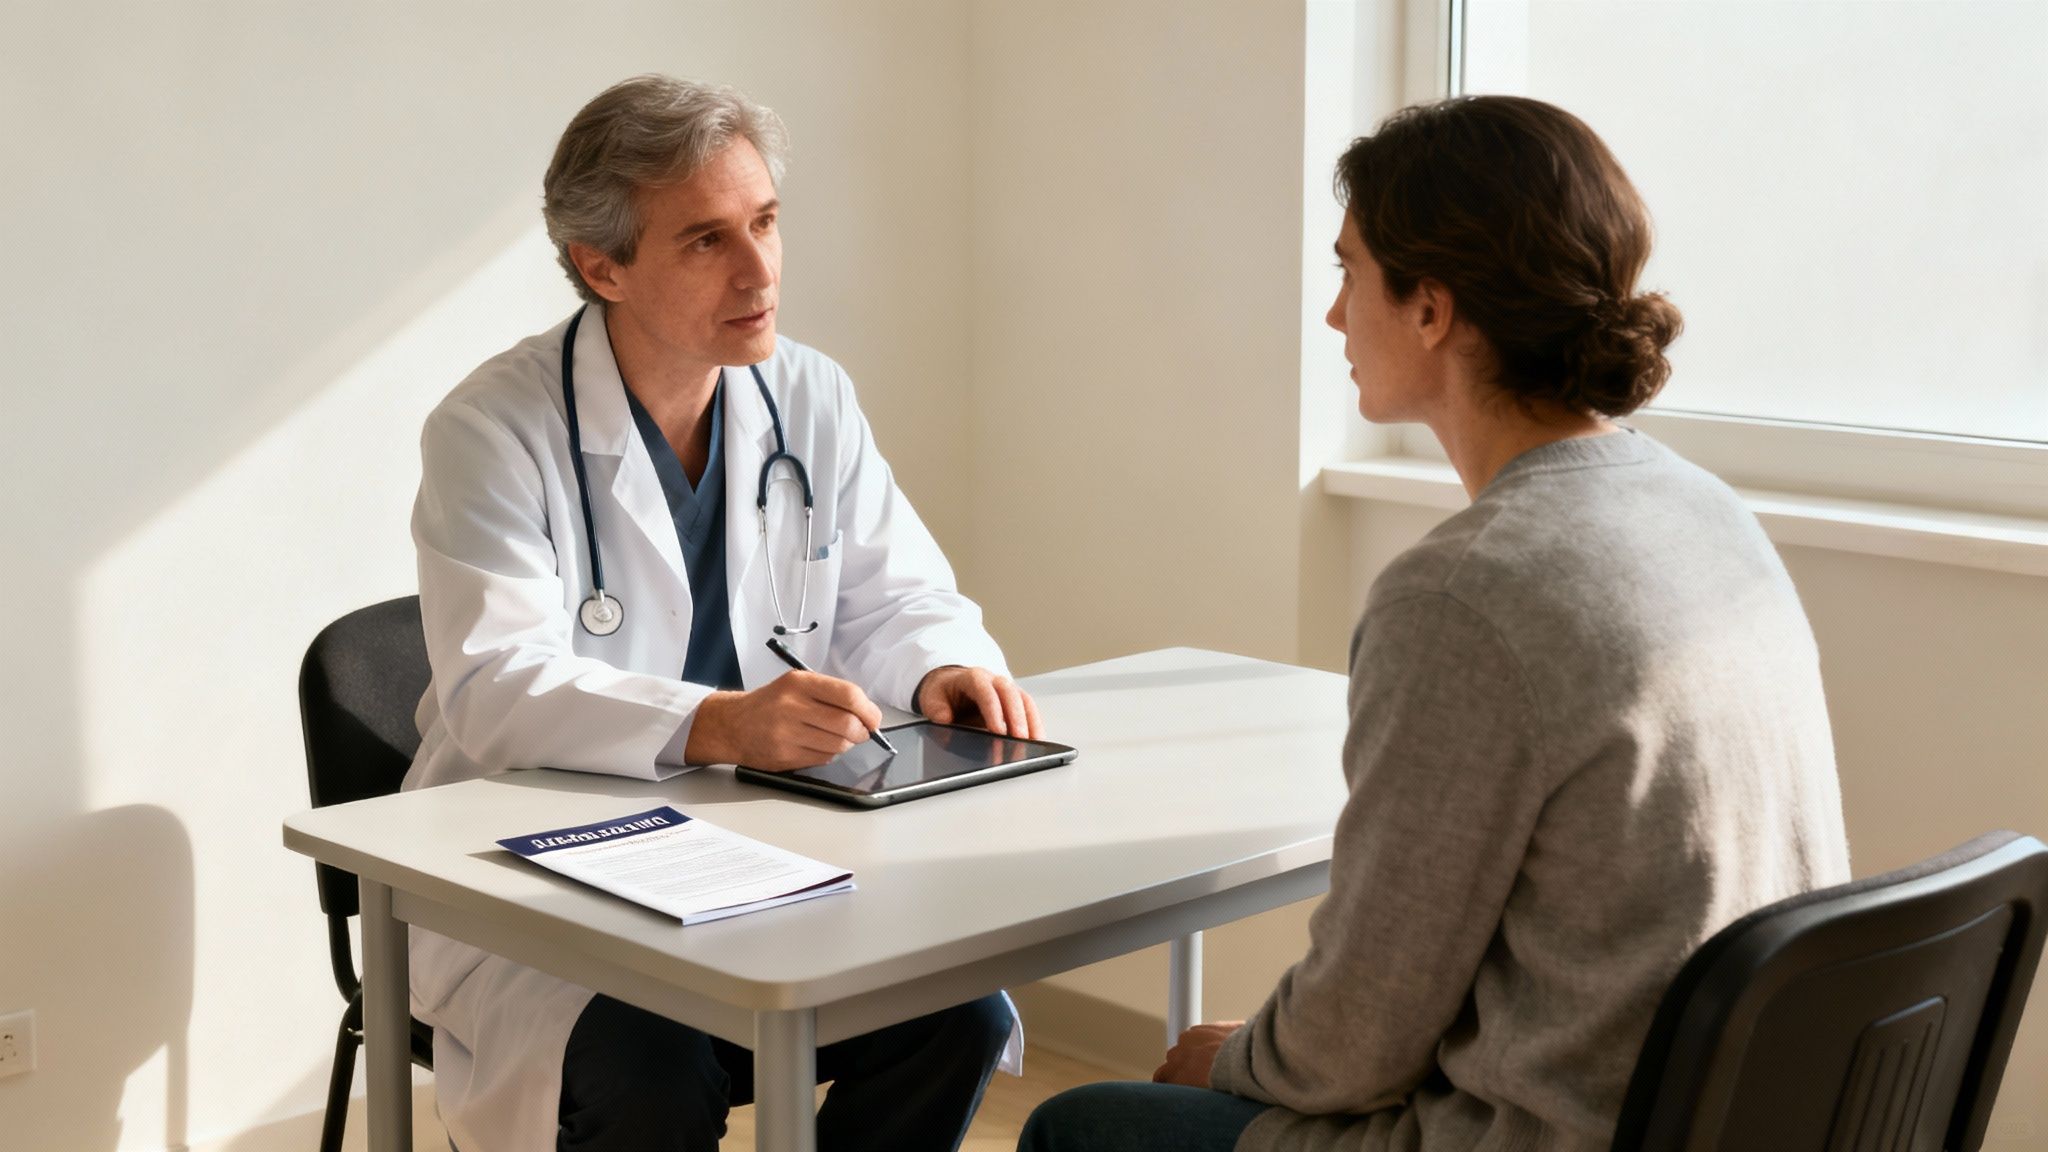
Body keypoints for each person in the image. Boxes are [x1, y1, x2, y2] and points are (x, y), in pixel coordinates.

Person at [1020, 95, 1851, 1152]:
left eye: (1347, 273)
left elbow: (1354, 1041)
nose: (1331, 317)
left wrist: (1229, 1057)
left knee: (1083, 1127)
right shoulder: (1700, 508)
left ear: (1430, 309)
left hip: (1551, 1132)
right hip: (1727, 1112)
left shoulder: (1462, 596)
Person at [405, 75, 1041, 1152]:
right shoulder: (491, 430)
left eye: (765, 222)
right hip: (552, 868)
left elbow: (900, 593)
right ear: (601, 266)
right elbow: (494, 685)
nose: (760, 271)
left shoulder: (809, 396)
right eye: (706, 241)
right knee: (653, 1072)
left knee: (955, 1018)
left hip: (764, 852)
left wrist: (939, 668)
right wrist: (716, 723)